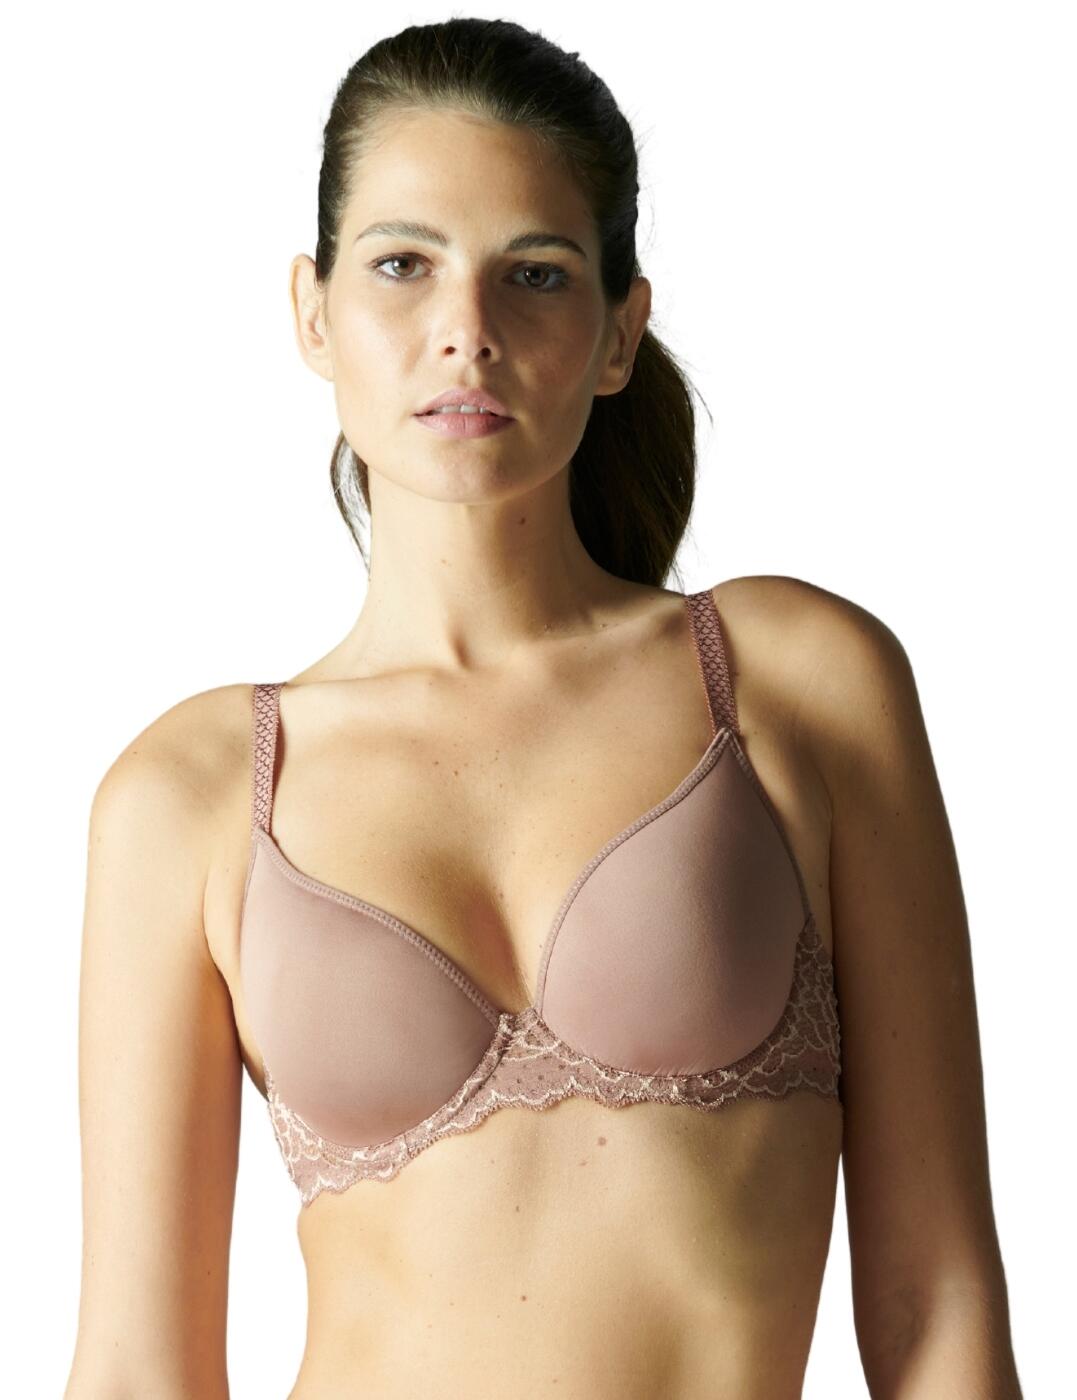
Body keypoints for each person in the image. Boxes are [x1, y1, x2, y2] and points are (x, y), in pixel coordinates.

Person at [63, 17, 1022, 1399]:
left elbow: (936, 1299)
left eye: (535, 274)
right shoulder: (195, 792)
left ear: (619, 331)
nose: (466, 330)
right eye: (402, 264)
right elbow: (135, 1369)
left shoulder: (793, 684)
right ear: (313, 314)